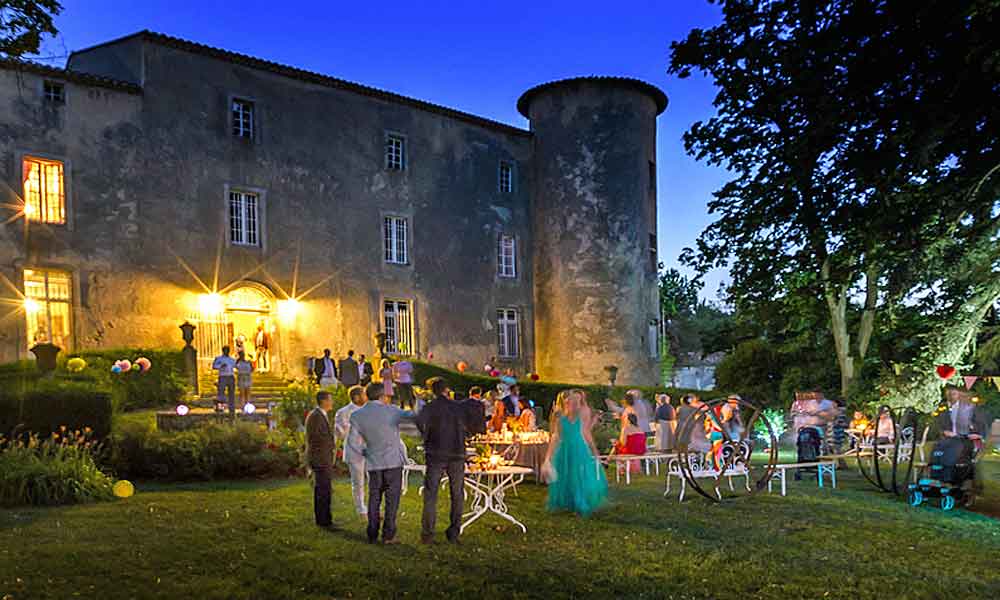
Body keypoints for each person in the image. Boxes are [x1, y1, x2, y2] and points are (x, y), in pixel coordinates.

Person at [348, 382, 416, 544]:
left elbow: (352, 442)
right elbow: (413, 429)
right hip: (393, 462)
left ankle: (372, 533)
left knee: (374, 498)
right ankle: (388, 535)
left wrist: (365, 452)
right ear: (382, 395)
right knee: (392, 500)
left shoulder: (357, 415)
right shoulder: (392, 411)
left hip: (373, 462)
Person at [415, 377, 480, 544]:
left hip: (436, 452)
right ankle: (454, 532)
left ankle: (428, 533)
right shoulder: (458, 407)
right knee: (457, 494)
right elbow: (472, 421)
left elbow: (419, 423)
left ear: (432, 391)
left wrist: (427, 436)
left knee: (431, 494)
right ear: (446, 390)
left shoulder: (429, 408)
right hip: (456, 453)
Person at [544, 389, 607, 516]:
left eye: (577, 401)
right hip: (564, 449)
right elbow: (556, 436)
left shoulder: (582, 414)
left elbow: (586, 432)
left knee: (578, 476)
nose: (573, 403)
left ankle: (579, 502)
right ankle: (567, 502)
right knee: (564, 475)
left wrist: (594, 450)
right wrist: (548, 457)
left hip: (578, 448)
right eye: (571, 400)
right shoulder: (559, 416)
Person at [335, 386, 368, 521]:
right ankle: (361, 509)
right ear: (356, 397)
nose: (366, 397)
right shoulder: (343, 412)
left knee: (375, 481)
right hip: (354, 452)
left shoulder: (369, 410)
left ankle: (373, 507)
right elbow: (342, 434)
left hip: (371, 452)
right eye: (363, 395)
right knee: (358, 482)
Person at [305, 391, 338, 530]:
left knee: (325, 489)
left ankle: (325, 518)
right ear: (324, 401)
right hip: (320, 458)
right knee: (322, 490)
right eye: (330, 400)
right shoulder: (316, 416)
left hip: (323, 457)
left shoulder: (320, 415)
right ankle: (323, 519)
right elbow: (317, 438)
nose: (332, 402)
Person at [212, 345, 237, 414]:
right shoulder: (219, 358)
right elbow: (214, 366)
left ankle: (231, 408)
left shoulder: (232, 359)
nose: (226, 351)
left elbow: (236, 366)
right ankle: (221, 407)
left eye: (228, 350)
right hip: (222, 376)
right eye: (225, 350)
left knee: (231, 393)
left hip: (230, 376)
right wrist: (220, 366)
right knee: (221, 393)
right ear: (223, 351)